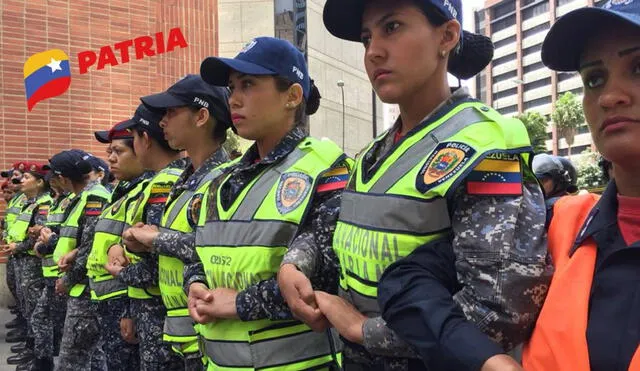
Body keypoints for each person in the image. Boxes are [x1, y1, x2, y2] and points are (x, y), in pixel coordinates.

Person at [314, 0, 553, 370]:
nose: (373, 51)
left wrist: (365, 330)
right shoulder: (373, 154)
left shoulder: (483, 146)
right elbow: (334, 235)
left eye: (391, 27)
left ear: (447, 36)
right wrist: (296, 266)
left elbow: (497, 314)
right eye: (366, 38)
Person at [186, 37, 350, 370]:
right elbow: (199, 250)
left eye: (248, 84)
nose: (234, 98)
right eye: (232, 87)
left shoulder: (326, 167)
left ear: (292, 96)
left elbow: (329, 276)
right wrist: (196, 284)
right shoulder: (223, 180)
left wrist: (240, 303)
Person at [524, 1, 640, 370]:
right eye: (594, 79)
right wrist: (487, 359)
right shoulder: (556, 224)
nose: (610, 97)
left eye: (639, 68)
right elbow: (420, 270)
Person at [123, 74, 232, 370]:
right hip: (180, 326)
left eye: (171, 112)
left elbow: (215, 247)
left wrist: (155, 239)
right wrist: (141, 245)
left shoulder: (225, 179)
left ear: (201, 116)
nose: (162, 122)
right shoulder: (185, 180)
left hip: (207, 327)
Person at [104, 103, 188, 371]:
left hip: (161, 308)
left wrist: (121, 273)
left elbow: (156, 259)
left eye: (121, 148)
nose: (111, 158)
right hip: (148, 305)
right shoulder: (152, 183)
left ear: (145, 140)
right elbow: (142, 244)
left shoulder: (165, 184)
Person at [85, 123, 146, 371]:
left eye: (119, 151)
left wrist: (130, 311)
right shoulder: (121, 190)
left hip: (124, 294)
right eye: (110, 151)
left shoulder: (148, 190)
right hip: (106, 292)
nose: (110, 158)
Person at [48, 150, 111, 371]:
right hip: (81, 287)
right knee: (93, 357)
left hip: (85, 289)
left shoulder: (95, 198)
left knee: (71, 361)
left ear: (64, 178)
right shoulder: (81, 198)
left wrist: (69, 280)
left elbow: (91, 248)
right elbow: (84, 239)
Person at [1, 163, 52, 369]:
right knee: (29, 308)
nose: (20, 180)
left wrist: (19, 246)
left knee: (37, 312)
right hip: (22, 259)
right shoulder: (29, 202)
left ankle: (39, 354)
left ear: (39, 182)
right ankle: (32, 348)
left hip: (32, 261)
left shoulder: (43, 204)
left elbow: (37, 236)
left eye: (25, 177)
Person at [30, 169, 74, 371]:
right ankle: (43, 361)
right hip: (52, 270)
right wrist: (41, 243)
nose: (55, 181)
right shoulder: (59, 201)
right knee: (44, 319)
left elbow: (72, 240)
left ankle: (44, 362)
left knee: (62, 328)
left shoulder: (76, 200)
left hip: (64, 273)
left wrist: (45, 241)